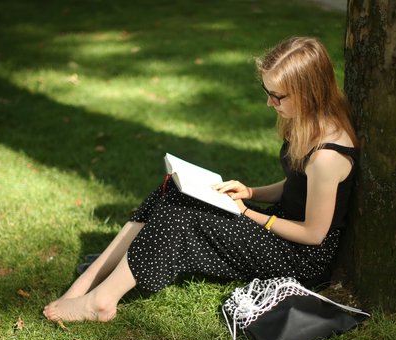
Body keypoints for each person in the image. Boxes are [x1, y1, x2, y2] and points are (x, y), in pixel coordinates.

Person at [43, 36, 358, 322]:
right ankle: (91, 279)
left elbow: (314, 233)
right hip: (282, 230)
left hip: (300, 258)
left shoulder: (327, 156)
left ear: (307, 93)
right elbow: (295, 186)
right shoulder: (307, 123)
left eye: (277, 96)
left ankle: (101, 301)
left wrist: (248, 213)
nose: (269, 103)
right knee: (173, 190)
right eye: (267, 92)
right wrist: (250, 191)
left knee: (181, 217)